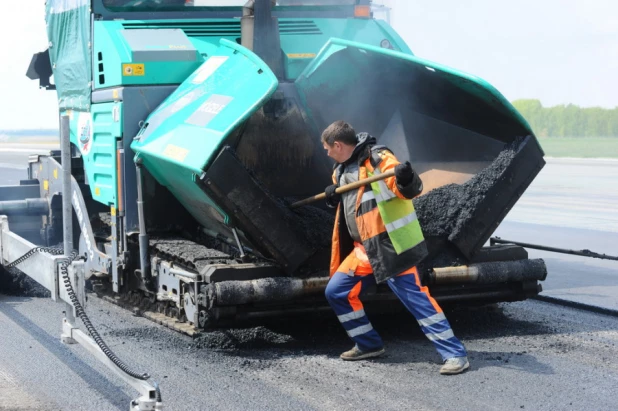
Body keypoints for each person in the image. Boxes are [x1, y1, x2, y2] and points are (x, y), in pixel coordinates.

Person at [321, 120, 469, 375]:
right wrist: (333, 197)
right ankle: (368, 344)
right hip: (363, 250)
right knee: (337, 292)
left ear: (337, 144)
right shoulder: (340, 169)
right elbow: (352, 207)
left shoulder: (379, 158)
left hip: (391, 248)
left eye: (326, 148)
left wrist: (406, 178)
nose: (326, 153)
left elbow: (408, 190)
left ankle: (455, 354)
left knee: (416, 300)